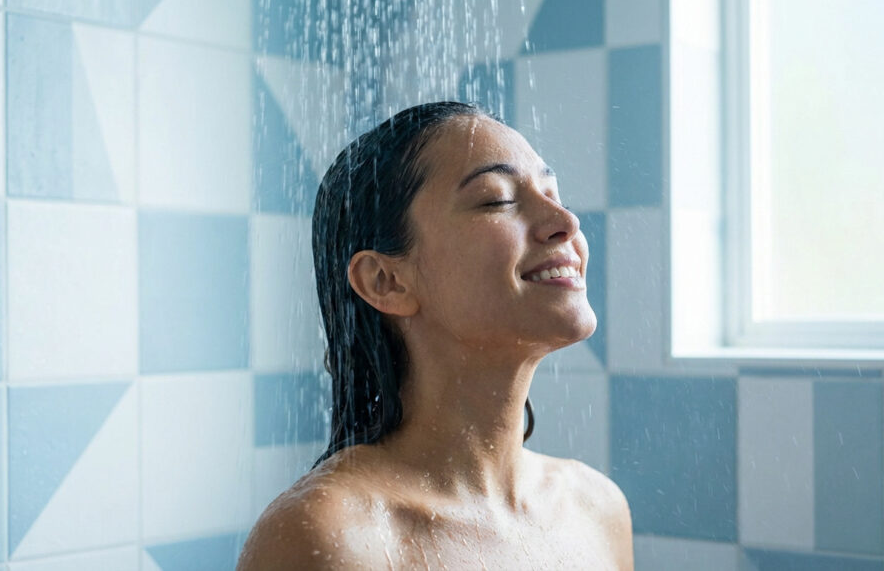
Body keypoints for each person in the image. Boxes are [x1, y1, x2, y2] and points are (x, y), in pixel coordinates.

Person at [237, 101, 633, 570]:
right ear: (387, 281)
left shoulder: (596, 508)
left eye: (555, 194)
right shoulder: (331, 535)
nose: (566, 222)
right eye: (496, 199)